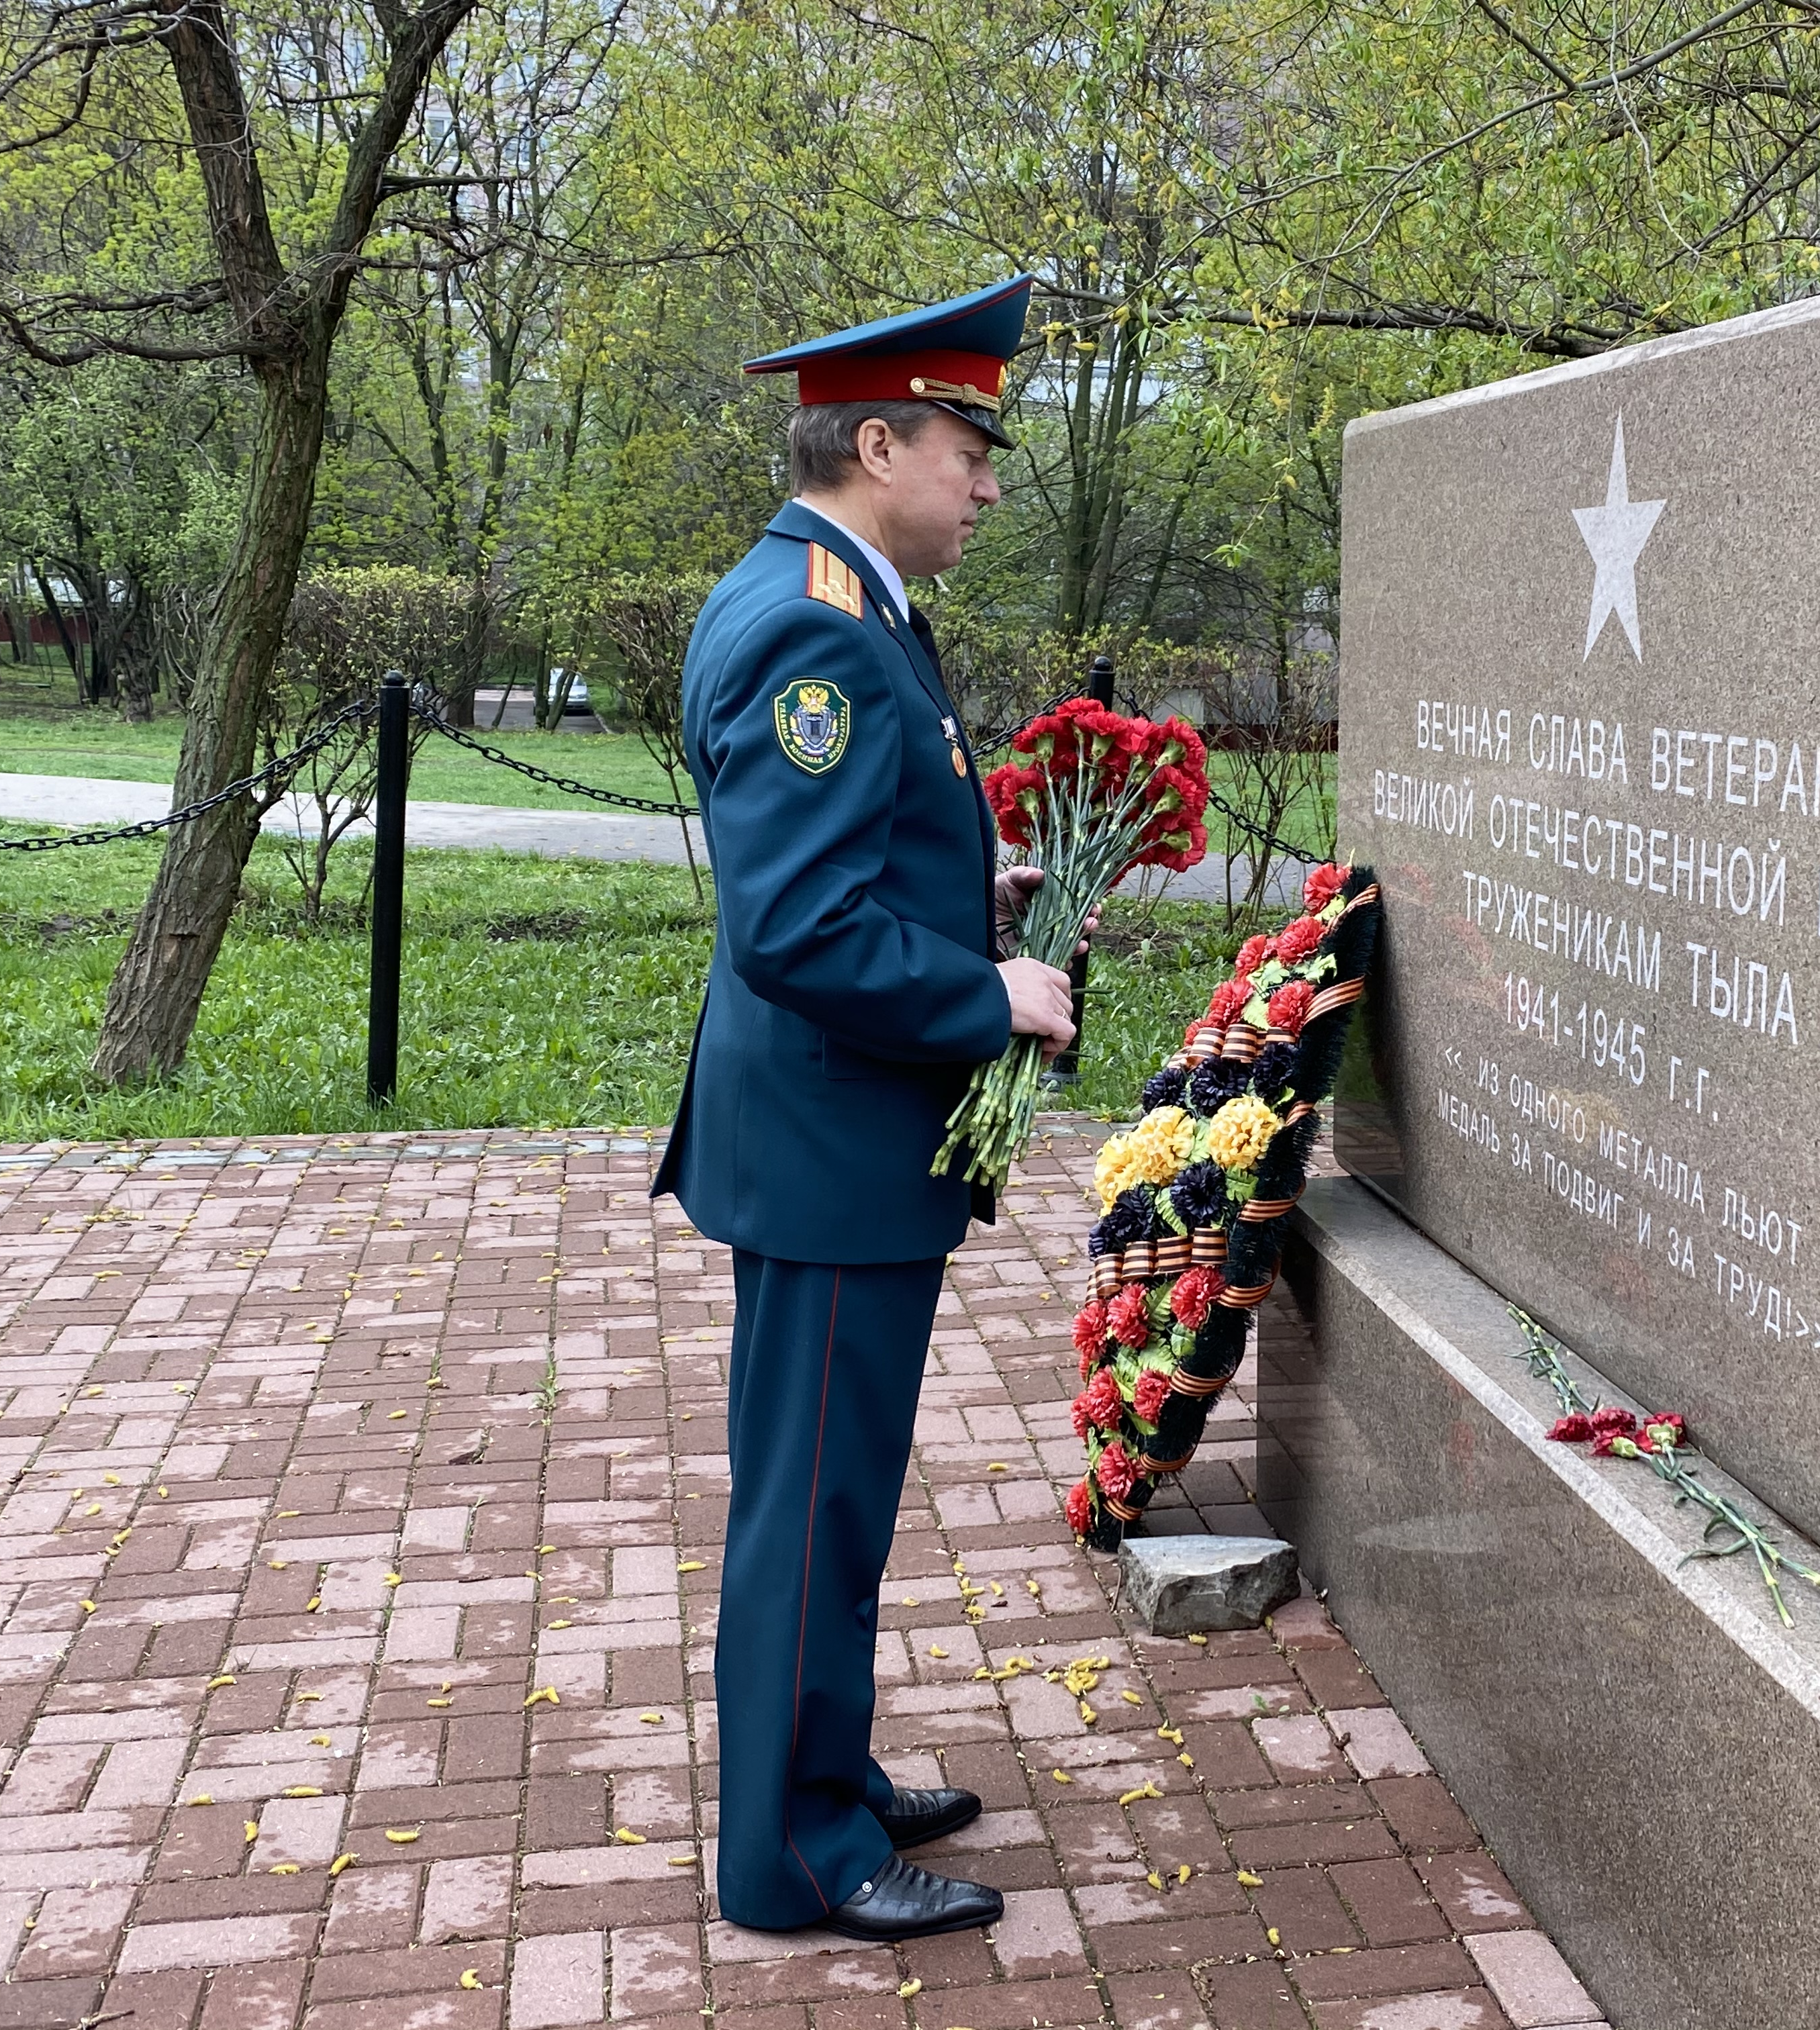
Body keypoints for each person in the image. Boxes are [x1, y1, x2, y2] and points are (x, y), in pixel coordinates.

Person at [651, 275, 1071, 1943]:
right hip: (835, 1149)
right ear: (880, 438)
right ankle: (793, 1857)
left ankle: (821, 1768)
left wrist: (978, 887)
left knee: (834, 1494)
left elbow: (847, 865)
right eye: (970, 446)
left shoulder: (844, 592)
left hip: (838, 1139)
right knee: (810, 1510)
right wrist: (991, 996)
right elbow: (798, 927)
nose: (985, 481)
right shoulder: (815, 624)